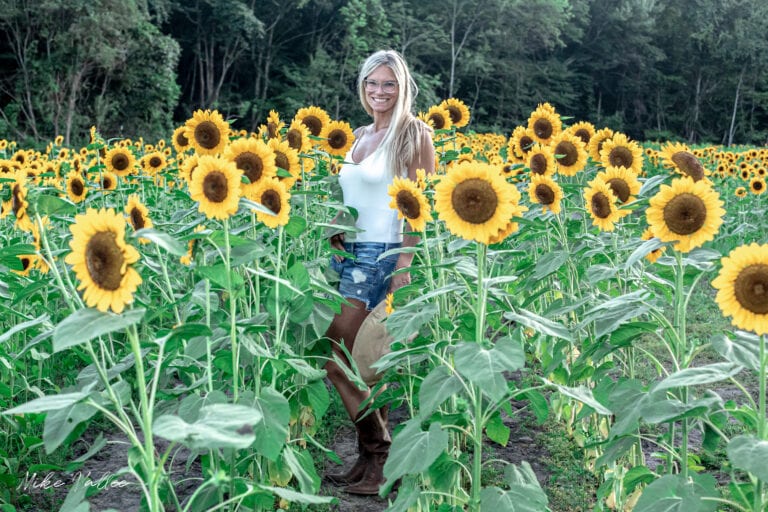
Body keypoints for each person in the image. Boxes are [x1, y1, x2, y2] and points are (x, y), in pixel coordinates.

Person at [323, 49, 435, 495]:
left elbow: (419, 209)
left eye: (389, 83)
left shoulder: (414, 135)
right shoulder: (358, 135)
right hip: (347, 253)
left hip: (382, 255)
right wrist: (337, 225)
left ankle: (382, 453)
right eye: (372, 82)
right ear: (362, 86)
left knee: (332, 355)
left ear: (402, 87)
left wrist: (404, 264)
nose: (379, 91)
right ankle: (369, 464)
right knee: (368, 364)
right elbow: (354, 193)